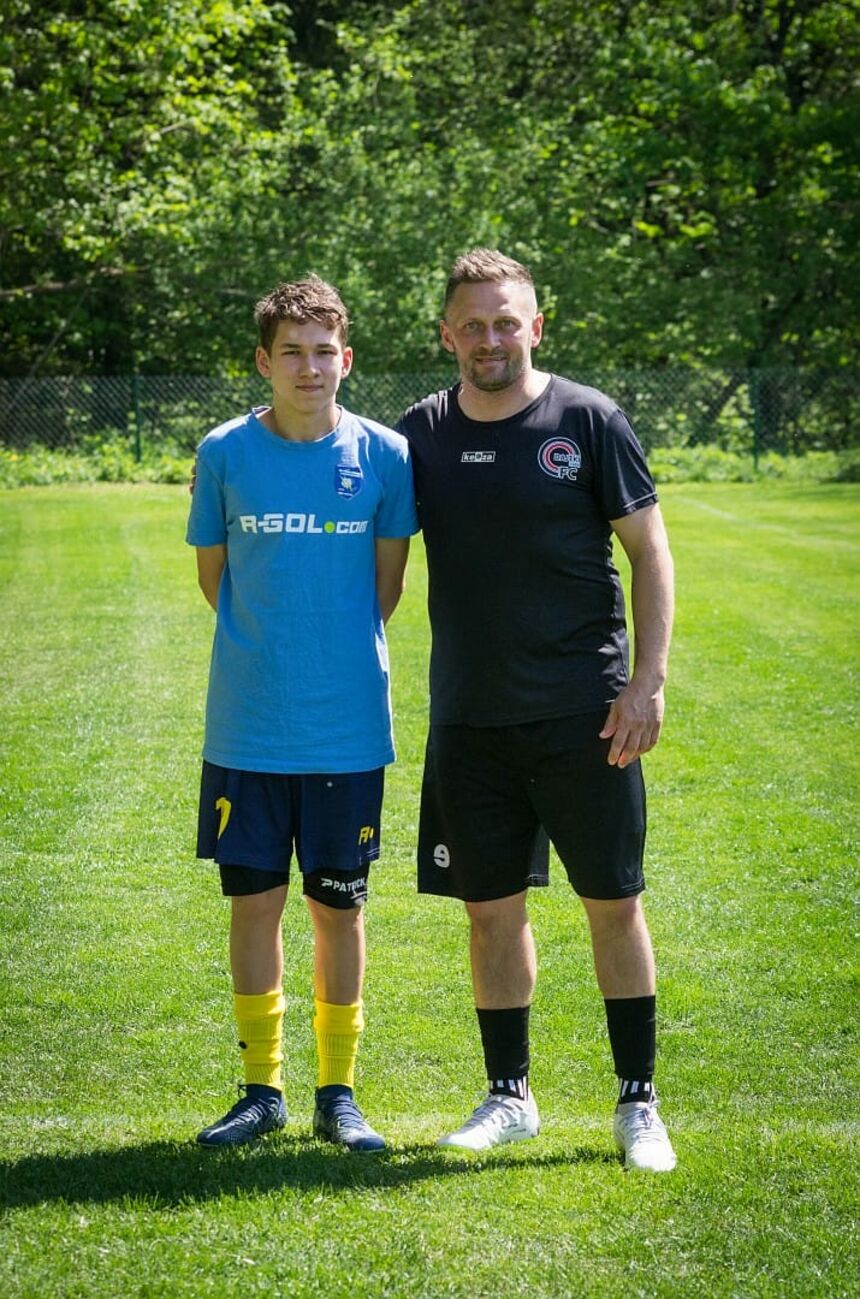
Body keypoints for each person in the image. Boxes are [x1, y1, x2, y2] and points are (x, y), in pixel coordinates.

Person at [397, 249, 677, 1171]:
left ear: (536, 326)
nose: (490, 338)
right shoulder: (421, 433)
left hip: (585, 713)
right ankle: (509, 1095)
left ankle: (637, 1103)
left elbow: (649, 552)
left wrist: (647, 681)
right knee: (490, 914)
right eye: (472, 324)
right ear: (448, 334)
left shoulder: (588, 419)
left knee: (613, 905)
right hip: (471, 719)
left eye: (505, 321)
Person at [186, 275, 418, 1151]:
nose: (310, 366)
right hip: (247, 727)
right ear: (264, 361)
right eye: (292, 351)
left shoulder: (387, 457)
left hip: (348, 729)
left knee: (339, 910)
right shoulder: (224, 453)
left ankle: (337, 1090)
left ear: (346, 358)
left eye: (325, 351)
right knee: (253, 905)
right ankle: (261, 1088)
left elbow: (384, 589)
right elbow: (217, 581)